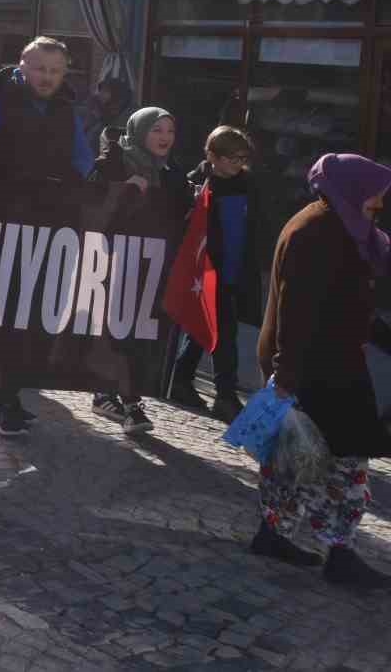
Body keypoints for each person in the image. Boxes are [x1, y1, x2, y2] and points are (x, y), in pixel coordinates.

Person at [250, 153, 391, 590]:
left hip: (329, 366)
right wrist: (285, 379)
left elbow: (345, 301)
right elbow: (298, 312)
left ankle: (273, 535)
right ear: (350, 190)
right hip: (320, 371)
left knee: (296, 463)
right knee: (341, 465)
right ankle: (340, 553)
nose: (379, 205)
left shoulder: (339, 227)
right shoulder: (317, 233)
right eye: (374, 196)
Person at [0, 36, 95, 437]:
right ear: (22, 66)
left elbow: (82, 158)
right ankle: (3, 395)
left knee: (34, 311)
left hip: (50, 221)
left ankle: (4, 389)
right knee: (5, 307)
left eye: (55, 70)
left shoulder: (67, 109)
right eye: (39, 69)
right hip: (2, 220)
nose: (47, 77)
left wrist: (93, 180)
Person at [87, 107, 191, 434]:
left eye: (170, 131)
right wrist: (121, 186)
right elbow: (89, 200)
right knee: (115, 324)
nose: (164, 138)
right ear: (140, 131)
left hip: (152, 263)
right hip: (113, 258)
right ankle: (111, 393)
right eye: (157, 130)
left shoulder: (173, 172)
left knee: (140, 327)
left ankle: (130, 398)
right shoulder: (113, 162)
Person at [170, 126, 266, 421]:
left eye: (243, 157)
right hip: (207, 269)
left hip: (236, 267)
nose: (239, 163)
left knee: (207, 328)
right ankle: (225, 394)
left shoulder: (249, 184)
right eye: (232, 158)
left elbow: (258, 225)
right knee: (225, 332)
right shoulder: (198, 183)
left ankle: (181, 379)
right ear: (213, 157)